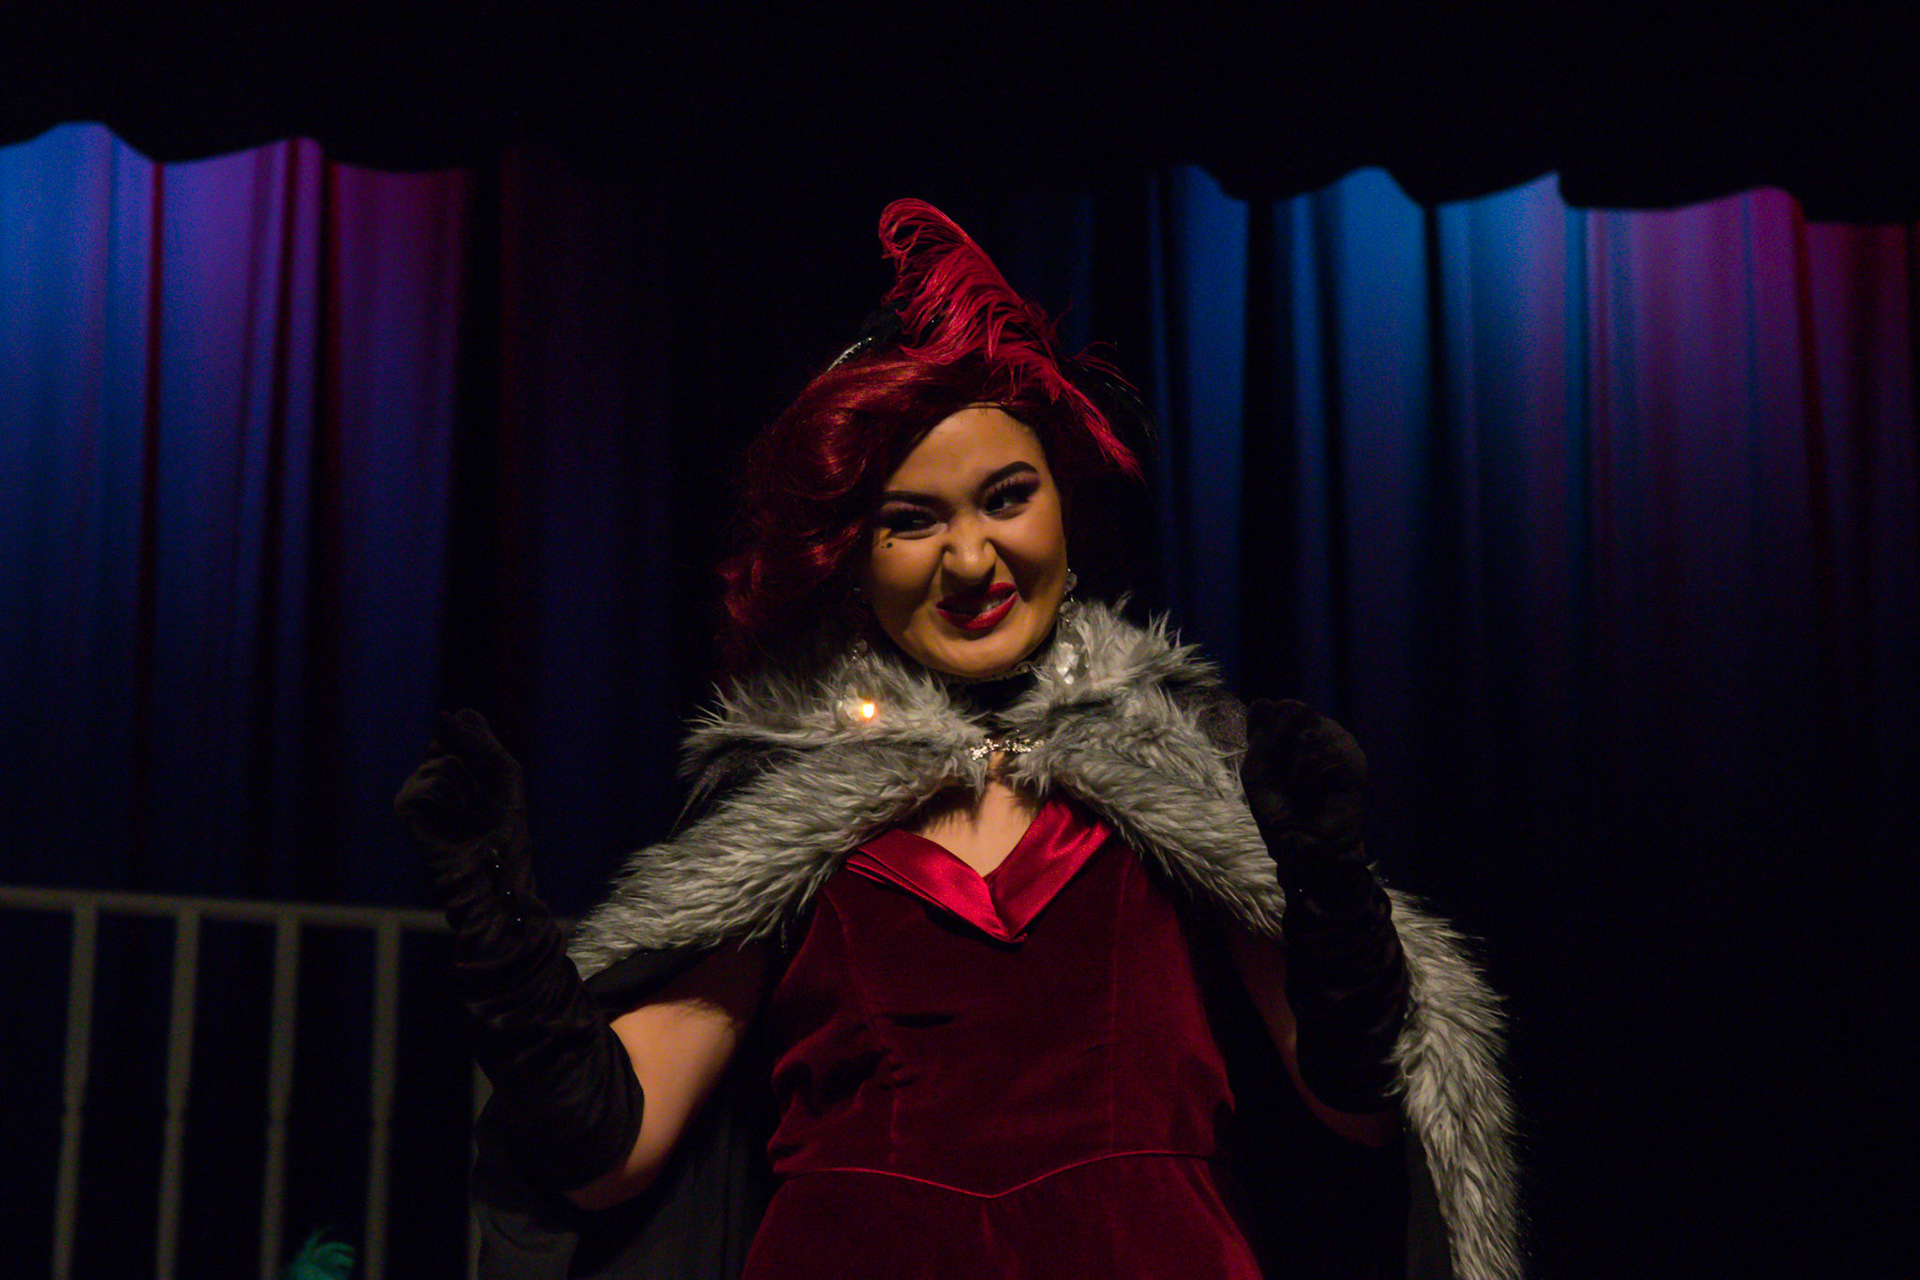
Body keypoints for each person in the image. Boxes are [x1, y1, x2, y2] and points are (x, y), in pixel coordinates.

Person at [397, 201, 1519, 1279]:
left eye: (1006, 497)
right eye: (912, 519)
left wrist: (1325, 881)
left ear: (1066, 511)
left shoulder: (1189, 766)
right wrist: (498, 921)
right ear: (853, 558)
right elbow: (611, 1156)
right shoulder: (781, 800)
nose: (971, 558)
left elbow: (1358, 1108)